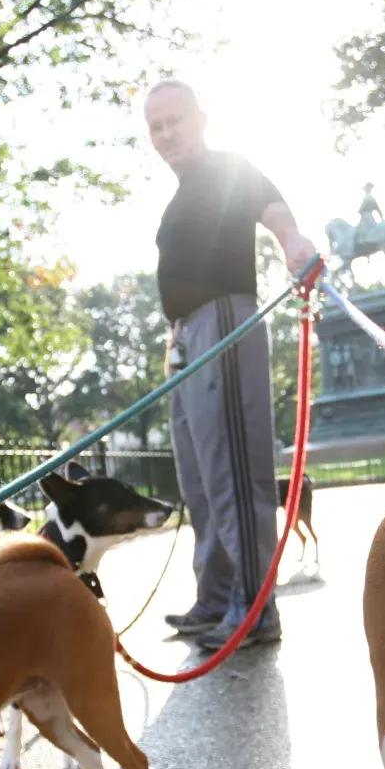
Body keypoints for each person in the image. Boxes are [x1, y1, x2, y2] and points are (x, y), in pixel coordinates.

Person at [143, 79, 316, 651]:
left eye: (175, 121)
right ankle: (216, 597)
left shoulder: (226, 168)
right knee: (200, 478)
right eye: (156, 126)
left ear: (202, 118)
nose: (166, 134)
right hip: (185, 336)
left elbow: (271, 206)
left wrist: (293, 243)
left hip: (224, 322)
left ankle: (254, 607)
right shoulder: (181, 193)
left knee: (234, 473)